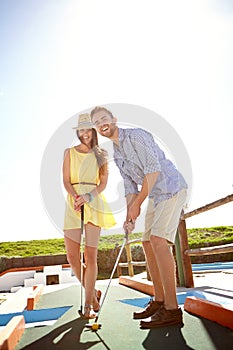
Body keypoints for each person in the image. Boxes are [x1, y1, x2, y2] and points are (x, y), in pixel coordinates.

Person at [91, 106, 188, 329]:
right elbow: (129, 187)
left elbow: (153, 170)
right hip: (155, 194)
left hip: (171, 188)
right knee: (146, 242)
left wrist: (137, 204)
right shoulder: (116, 153)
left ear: (114, 119)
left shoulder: (136, 135)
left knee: (158, 241)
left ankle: (172, 310)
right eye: (97, 123)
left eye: (104, 119)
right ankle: (160, 300)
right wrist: (129, 216)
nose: (102, 124)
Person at [63, 113, 116, 319]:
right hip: (74, 202)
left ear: (93, 131)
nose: (84, 133)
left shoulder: (101, 154)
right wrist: (77, 197)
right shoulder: (68, 152)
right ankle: (93, 294)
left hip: (94, 202)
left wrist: (88, 196)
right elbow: (66, 180)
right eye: (81, 130)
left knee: (90, 257)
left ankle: (87, 305)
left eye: (88, 129)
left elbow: (103, 183)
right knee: (73, 257)